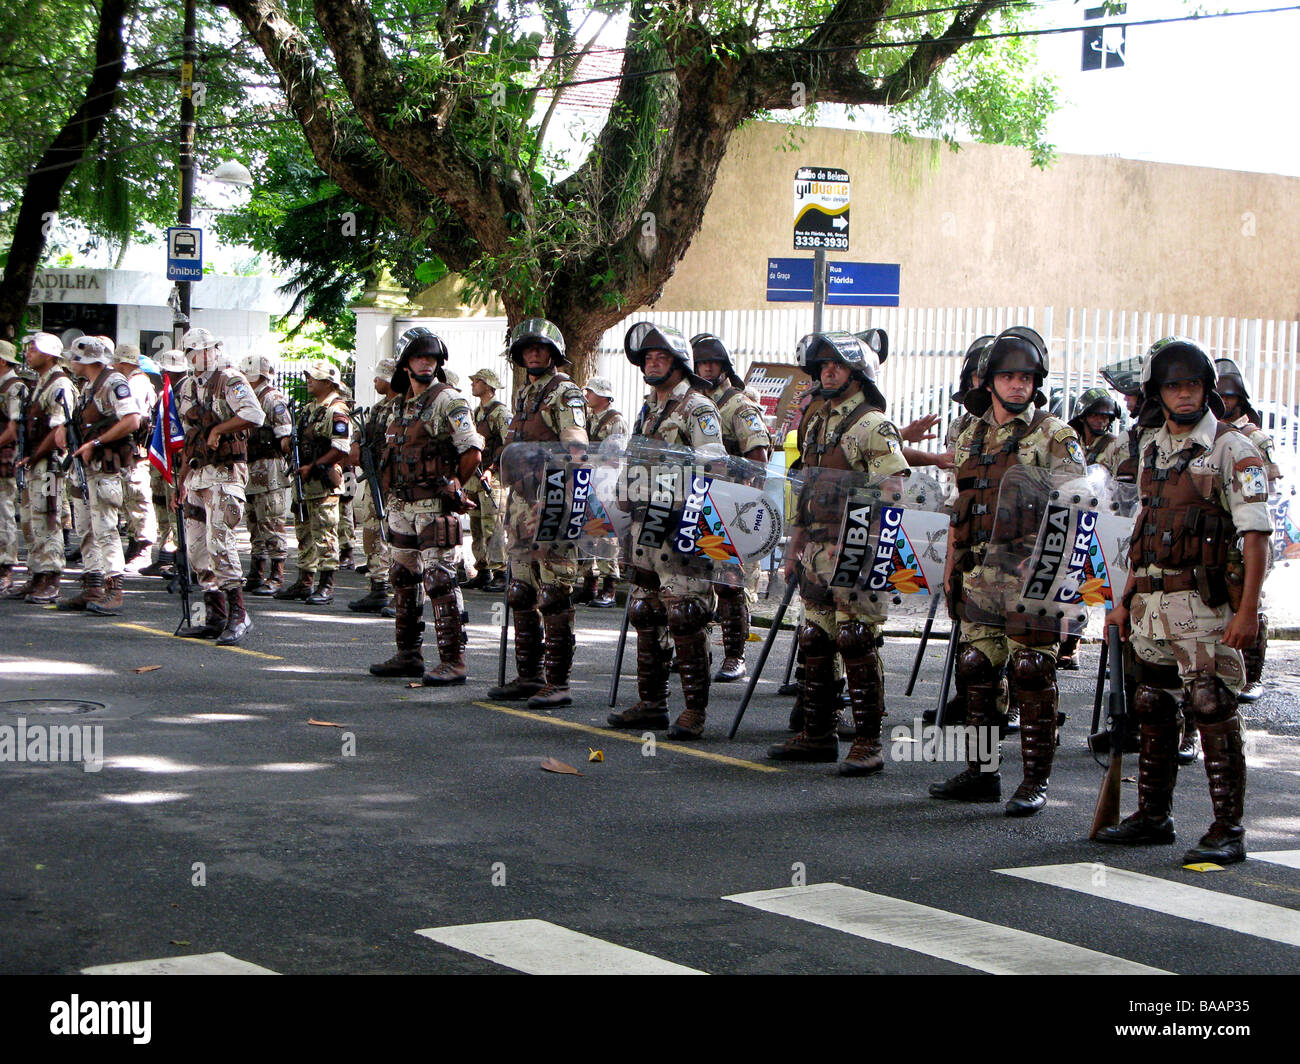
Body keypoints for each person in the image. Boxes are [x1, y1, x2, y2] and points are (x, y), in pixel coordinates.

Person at [1096, 338, 1270, 865]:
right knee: (1153, 705)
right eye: (1173, 385)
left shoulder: (1234, 449)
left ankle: (1228, 828)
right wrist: (1124, 598)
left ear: (1207, 390)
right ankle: (1153, 816)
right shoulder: (1151, 447)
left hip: (1206, 606)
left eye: (1192, 384)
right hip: (1152, 606)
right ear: (1157, 393)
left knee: (1212, 706)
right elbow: (1146, 525)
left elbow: (1257, 536)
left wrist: (1248, 614)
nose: (1184, 394)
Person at [930, 326, 1087, 815]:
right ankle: (982, 773)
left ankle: (1034, 781)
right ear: (991, 381)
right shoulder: (971, 435)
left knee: (1033, 671)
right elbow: (962, 507)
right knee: (976, 668)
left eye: (1026, 378)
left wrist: (1060, 585)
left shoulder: (1054, 436)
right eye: (1008, 376)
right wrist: (951, 572)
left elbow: (1078, 514)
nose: (1018, 386)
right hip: (980, 575)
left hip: (1030, 577)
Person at [768, 332, 909, 773]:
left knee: (856, 640)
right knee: (814, 639)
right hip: (816, 548)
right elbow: (806, 490)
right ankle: (817, 733)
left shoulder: (873, 425)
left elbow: (893, 492)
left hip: (857, 550)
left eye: (837, 365)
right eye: (822, 365)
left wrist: (871, 553)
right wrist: (795, 545)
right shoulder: (815, 422)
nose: (828, 371)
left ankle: (868, 741)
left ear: (857, 373)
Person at [607, 321, 725, 739]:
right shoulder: (647, 408)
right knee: (646, 611)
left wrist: (691, 514)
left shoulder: (698, 407)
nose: (653, 363)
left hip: (680, 526)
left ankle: (695, 710)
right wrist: (622, 494)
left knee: (686, 614)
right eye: (648, 358)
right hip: (644, 525)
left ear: (679, 364)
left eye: (661, 357)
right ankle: (651, 703)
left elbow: (715, 466)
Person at [368, 329, 483, 685]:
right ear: (405, 364)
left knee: (439, 579)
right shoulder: (399, 405)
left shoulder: (449, 400)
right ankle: (408, 654)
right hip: (402, 503)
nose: (425, 363)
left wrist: (455, 485)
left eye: (431, 359)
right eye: (419, 358)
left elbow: (472, 451)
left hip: (434, 504)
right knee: (402, 577)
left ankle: (453, 660)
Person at [488, 319, 588, 707]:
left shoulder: (566, 393)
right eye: (527, 349)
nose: (533, 354)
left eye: (540, 348)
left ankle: (557, 682)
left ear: (553, 353)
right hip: (520, 506)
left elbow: (576, 447)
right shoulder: (526, 395)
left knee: (554, 594)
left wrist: (564, 502)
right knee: (520, 591)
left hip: (552, 504)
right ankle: (528, 676)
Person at [689, 333, 773, 682]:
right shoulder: (691, 403)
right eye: (701, 363)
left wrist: (742, 503)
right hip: (695, 501)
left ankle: (734, 656)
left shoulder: (739, 405)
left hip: (731, 505)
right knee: (695, 580)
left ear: (724, 366)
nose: (707, 368)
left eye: (713, 362)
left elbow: (758, 458)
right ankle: (697, 651)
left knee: (730, 583)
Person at [174, 327, 265, 645]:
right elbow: (189, 435)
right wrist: (182, 479)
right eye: (195, 351)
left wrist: (220, 430)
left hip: (225, 474)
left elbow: (254, 414)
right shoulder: (186, 386)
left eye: (207, 349)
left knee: (220, 543)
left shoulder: (230, 379)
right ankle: (214, 614)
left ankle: (238, 615)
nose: (202, 356)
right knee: (197, 547)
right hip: (198, 474)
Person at [57, 336, 140, 615]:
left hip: (104, 469)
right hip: (85, 470)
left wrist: (96, 443)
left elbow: (132, 419)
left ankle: (114, 589)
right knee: (86, 528)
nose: (71, 361)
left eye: (75, 357)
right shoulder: (90, 386)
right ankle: (93, 584)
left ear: (87, 359)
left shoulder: (114, 383)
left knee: (105, 528)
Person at [1215, 357, 1279, 705]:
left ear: (1240, 399)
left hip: (1249, 529)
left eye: (1229, 396)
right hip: (1217, 532)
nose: (1224, 403)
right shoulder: (1208, 433)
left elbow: (1266, 486)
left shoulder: (1255, 437)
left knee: (1249, 599)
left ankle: (1252, 676)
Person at [1055, 387, 1123, 670]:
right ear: (1083, 416)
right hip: (1069, 517)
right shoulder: (1069, 440)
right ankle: (1069, 644)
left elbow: (1122, 483)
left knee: (1107, 581)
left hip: (1102, 517)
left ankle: (1116, 650)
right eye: (1095, 414)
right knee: (1069, 581)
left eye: (1105, 416)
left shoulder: (1115, 445)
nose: (1100, 420)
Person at [6, 334, 76, 603]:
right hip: (34, 462)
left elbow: (59, 429)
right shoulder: (41, 383)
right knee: (30, 519)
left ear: (48, 354)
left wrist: (35, 455)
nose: (28, 354)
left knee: (48, 517)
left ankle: (51, 576)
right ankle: (36, 574)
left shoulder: (59, 384)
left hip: (48, 463)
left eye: (33, 350)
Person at [275, 360, 351, 605]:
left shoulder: (336, 410)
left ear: (328, 382)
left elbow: (341, 448)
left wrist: (315, 466)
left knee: (325, 532)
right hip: (305, 480)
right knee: (304, 531)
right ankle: (305, 581)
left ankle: (326, 585)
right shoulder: (309, 409)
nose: (309, 381)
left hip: (322, 480)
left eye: (314, 378)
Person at [238, 354, 294, 596]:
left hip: (269, 470)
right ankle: (256, 572)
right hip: (251, 469)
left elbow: (286, 439)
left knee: (271, 522)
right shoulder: (249, 397)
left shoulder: (272, 398)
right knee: (254, 522)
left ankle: (276, 575)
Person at [348, 357, 398, 612]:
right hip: (374, 478)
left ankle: (399, 589)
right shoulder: (378, 408)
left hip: (394, 481)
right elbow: (361, 431)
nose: (375, 381)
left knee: (394, 534)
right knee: (372, 532)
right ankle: (378, 586)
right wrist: (356, 443)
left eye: (378, 377)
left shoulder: (402, 407)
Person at [140, 349, 190, 578]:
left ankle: (184, 560)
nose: (163, 373)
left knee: (176, 508)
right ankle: (165, 555)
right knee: (160, 504)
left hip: (178, 461)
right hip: (162, 459)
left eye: (166, 370)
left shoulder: (186, 392)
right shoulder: (165, 394)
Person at [579, 375, 626, 608]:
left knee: (607, 531)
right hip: (588, 477)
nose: (587, 395)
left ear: (604, 396)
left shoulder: (615, 420)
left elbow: (617, 456)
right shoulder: (587, 418)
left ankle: (610, 585)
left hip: (606, 480)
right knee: (586, 528)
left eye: (592, 391)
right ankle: (590, 581)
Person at [464, 367, 509, 594]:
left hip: (493, 478)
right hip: (475, 479)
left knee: (493, 525)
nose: (473, 384)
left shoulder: (499, 413)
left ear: (489, 386)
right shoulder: (476, 412)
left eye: (477, 381)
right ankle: (483, 569)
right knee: (476, 526)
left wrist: (492, 469)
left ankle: (501, 571)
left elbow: (507, 442)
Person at [112, 343, 158, 568]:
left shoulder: (136, 384)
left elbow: (135, 419)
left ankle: (143, 548)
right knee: (130, 497)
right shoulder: (133, 382)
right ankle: (134, 544)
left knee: (138, 497)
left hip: (136, 450)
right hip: (129, 450)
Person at [0, 341, 28, 594]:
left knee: (3, 514)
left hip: (5, 458)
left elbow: (13, 428)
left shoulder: (13, 387)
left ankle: (5, 568)